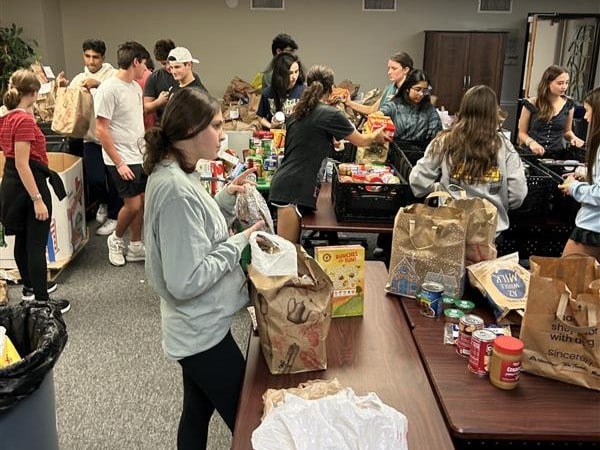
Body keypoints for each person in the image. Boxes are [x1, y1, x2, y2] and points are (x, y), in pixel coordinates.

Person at [142, 88, 264, 450]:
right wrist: (239, 242)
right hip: (201, 333)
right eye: (215, 125)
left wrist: (225, 198)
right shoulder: (176, 189)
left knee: (196, 412)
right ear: (190, 131)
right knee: (250, 425)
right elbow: (186, 280)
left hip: (197, 326)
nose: (223, 133)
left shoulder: (177, 172)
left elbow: (197, 230)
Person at [269, 65, 389, 243]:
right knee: (288, 254)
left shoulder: (300, 112)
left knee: (292, 254)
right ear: (332, 89)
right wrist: (376, 135)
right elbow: (361, 141)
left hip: (288, 184)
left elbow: (307, 142)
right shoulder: (330, 114)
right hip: (292, 190)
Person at [409, 85, 528, 234]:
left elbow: (417, 181)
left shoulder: (444, 141)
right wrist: (499, 203)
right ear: (493, 113)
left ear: (463, 109)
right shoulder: (505, 146)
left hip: (449, 228)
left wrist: (437, 188)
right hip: (489, 232)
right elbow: (518, 192)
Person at [0, 69, 70, 313]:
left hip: (12, 182)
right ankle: (42, 300)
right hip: (28, 181)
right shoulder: (25, 121)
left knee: (22, 238)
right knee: (36, 243)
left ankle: (31, 287)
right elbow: (22, 162)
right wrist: (37, 199)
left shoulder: (7, 117)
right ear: (33, 93)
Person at [57, 39, 122, 237]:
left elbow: (119, 94)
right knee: (94, 178)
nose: (91, 61)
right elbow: (68, 105)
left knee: (114, 179)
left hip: (111, 138)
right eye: (88, 56)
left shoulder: (112, 75)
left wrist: (99, 85)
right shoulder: (78, 78)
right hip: (89, 138)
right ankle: (102, 202)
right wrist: (62, 88)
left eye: (95, 57)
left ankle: (114, 216)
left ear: (102, 57)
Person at [95, 41, 150, 266]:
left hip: (139, 155)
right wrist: (119, 163)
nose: (146, 70)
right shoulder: (108, 89)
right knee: (133, 205)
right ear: (135, 62)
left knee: (142, 202)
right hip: (120, 159)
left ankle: (136, 245)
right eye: (144, 65)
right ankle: (116, 239)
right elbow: (101, 129)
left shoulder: (136, 87)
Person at [560, 87, 600, 260]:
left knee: (565, 280)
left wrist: (574, 187)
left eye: (588, 111)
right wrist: (588, 177)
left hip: (593, 228)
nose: (585, 117)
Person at [518, 65, 585, 159]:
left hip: (556, 157)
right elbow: (522, 133)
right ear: (548, 83)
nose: (564, 87)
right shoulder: (531, 103)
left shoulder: (569, 105)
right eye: (560, 83)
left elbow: (567, 131)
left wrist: (574, 138)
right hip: (531, 155)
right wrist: (531, 143)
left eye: (566, 83)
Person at [379, 69, 443, 149]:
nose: (421, 94)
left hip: (420, 155)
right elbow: (376, 116)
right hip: (396, 153)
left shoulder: (429, 110)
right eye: (417, 89)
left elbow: (438, 135)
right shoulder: (395, 105)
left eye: (425, 90)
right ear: (407, 88)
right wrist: (379, 132)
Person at [344, 51, 414, 116]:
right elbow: (372, 110)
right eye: (389, 68)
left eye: (394, 68)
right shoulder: (389, 89)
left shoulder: (413, 92)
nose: (389, 72)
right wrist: (349, 103)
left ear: (405, 70)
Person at [257, 52, 305, 129]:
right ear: (281, 74)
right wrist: (271, 126)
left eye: (296, 71)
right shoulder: (268, 93)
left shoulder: (304, 91)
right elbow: (260, 117)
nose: (294, 77)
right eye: (290, 73)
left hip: (296, 137)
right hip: (276, 136)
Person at [143, 39, 176, 125]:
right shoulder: (154, 78)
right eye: (164, 63)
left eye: (170, 62)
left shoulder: (187, 75)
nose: (168, 66)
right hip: (164, 126)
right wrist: (158, 102)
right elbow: (146, 108)